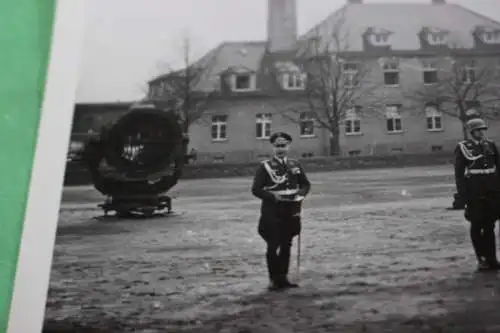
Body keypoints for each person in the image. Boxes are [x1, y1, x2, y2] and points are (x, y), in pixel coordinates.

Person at [251, 132, 311, 291]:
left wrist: (301, 195)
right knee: (272, 245)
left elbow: (305, 184)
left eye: (283, 145)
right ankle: (273, 279)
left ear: (289, 146)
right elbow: (256, 189)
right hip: (272, 211)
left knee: (287, 244)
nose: (280, 149)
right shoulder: (265, 167)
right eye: (277, 146)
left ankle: (283, 278)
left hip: (291, 209)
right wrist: (272, 196)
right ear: (272, 147)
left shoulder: (295, 165)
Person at [454, 116, 500, 271]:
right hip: (474, 190)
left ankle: (492, 259)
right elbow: (459, 174)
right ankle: (481, 258)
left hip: (492, 190)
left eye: (483, 130)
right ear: (472, 132)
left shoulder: (491, 145)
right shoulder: (463, 147)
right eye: (478, 130)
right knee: (476, 224)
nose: (481, 133)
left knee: (490, 225)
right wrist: (462, 195)